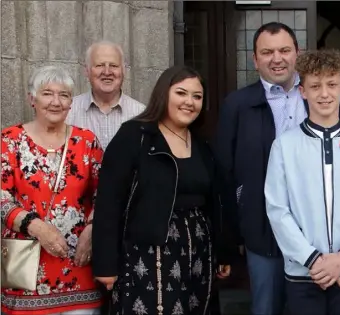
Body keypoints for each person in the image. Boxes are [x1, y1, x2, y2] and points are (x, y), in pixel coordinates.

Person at [213, 22, 340, 315]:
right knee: (267, 308)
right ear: (255, 59)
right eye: (267, 52)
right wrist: (233, 234)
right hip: (262, 233)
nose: (277, 58)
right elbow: (224, 174)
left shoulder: (321, 99)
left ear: (297, 53)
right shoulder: (237, 105)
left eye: (284, 50)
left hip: (320, 233)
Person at [91, 65, 235, 315]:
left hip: (198, 254)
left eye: (197, 96)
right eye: (181, 93)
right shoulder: (135, 135)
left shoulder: (202, 144)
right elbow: (109, 202)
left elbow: (215, 202)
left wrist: (223, 251)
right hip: (147, 255)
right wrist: (105, 264)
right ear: (163, 94)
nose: (189, 102)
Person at [265, 48, 340, 315]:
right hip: (303, 271)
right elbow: (277, 210)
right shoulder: (284, 145)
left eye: (332, 84)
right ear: (302, 91)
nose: (324, 93)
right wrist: (312, 259)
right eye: (315, 85)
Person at [1, 66, 104, 314]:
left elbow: (107, 193)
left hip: (80, 268)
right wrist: (36, 226)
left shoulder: (86, 141)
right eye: (47, 93)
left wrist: (92, 230)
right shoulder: (9, 140)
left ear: (71, 103)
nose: (56, 102)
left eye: (64, 95)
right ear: (32, 99)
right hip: (25, 271)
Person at [67, 40, 145, 149]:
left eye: (113, 65)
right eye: (99, 65)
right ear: (87, 71)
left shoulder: (142, 114)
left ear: (123, 70)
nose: (107, 72)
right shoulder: (68, 112)